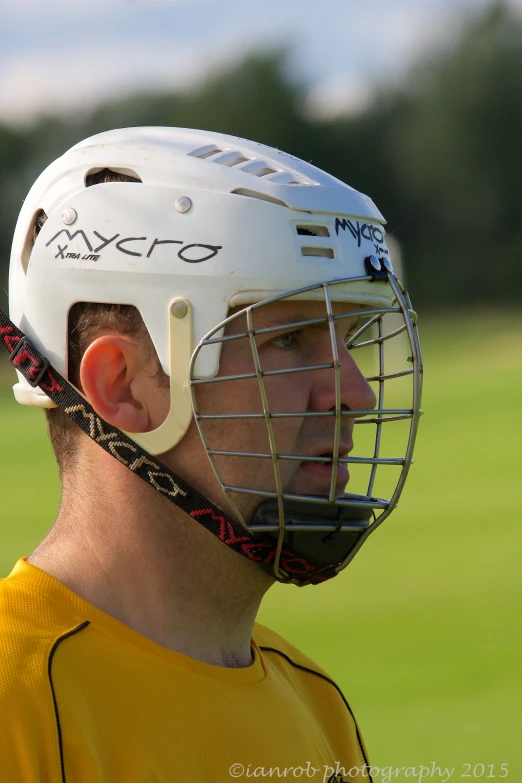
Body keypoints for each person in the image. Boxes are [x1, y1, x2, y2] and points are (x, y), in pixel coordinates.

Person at [0, 128, 422, 782]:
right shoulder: (15, 701)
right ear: (123, 385)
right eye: (288, 338)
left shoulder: (314, 701)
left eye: (350, 339)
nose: (355, 392)